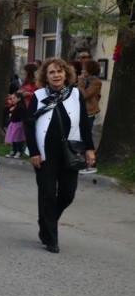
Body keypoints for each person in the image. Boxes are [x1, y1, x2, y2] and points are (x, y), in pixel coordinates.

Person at [25, 57, 95, 254]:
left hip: (70, 152)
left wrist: (90, 149)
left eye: (59, 71)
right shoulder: (38, 96)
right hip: (45, 153)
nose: (56, 75)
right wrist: (34, 152)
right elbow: (29, 125)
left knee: (67, 193)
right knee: (47, 195)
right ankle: (50, 238)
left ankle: (46, 221)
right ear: (45, 77)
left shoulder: (75, 95)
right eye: (52, 72)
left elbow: (83, 124)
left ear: (66, 74)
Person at [78, 57, 101, 174]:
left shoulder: (96, 82)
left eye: (84, 69)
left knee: (85, 137)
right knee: (80, 137)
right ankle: (83, 162)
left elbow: (84, 95)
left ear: (90, 70)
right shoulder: (85, 80)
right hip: (81, 111)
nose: (82, 72)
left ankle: (91, 164)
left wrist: (81, 82)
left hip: (89, 113)